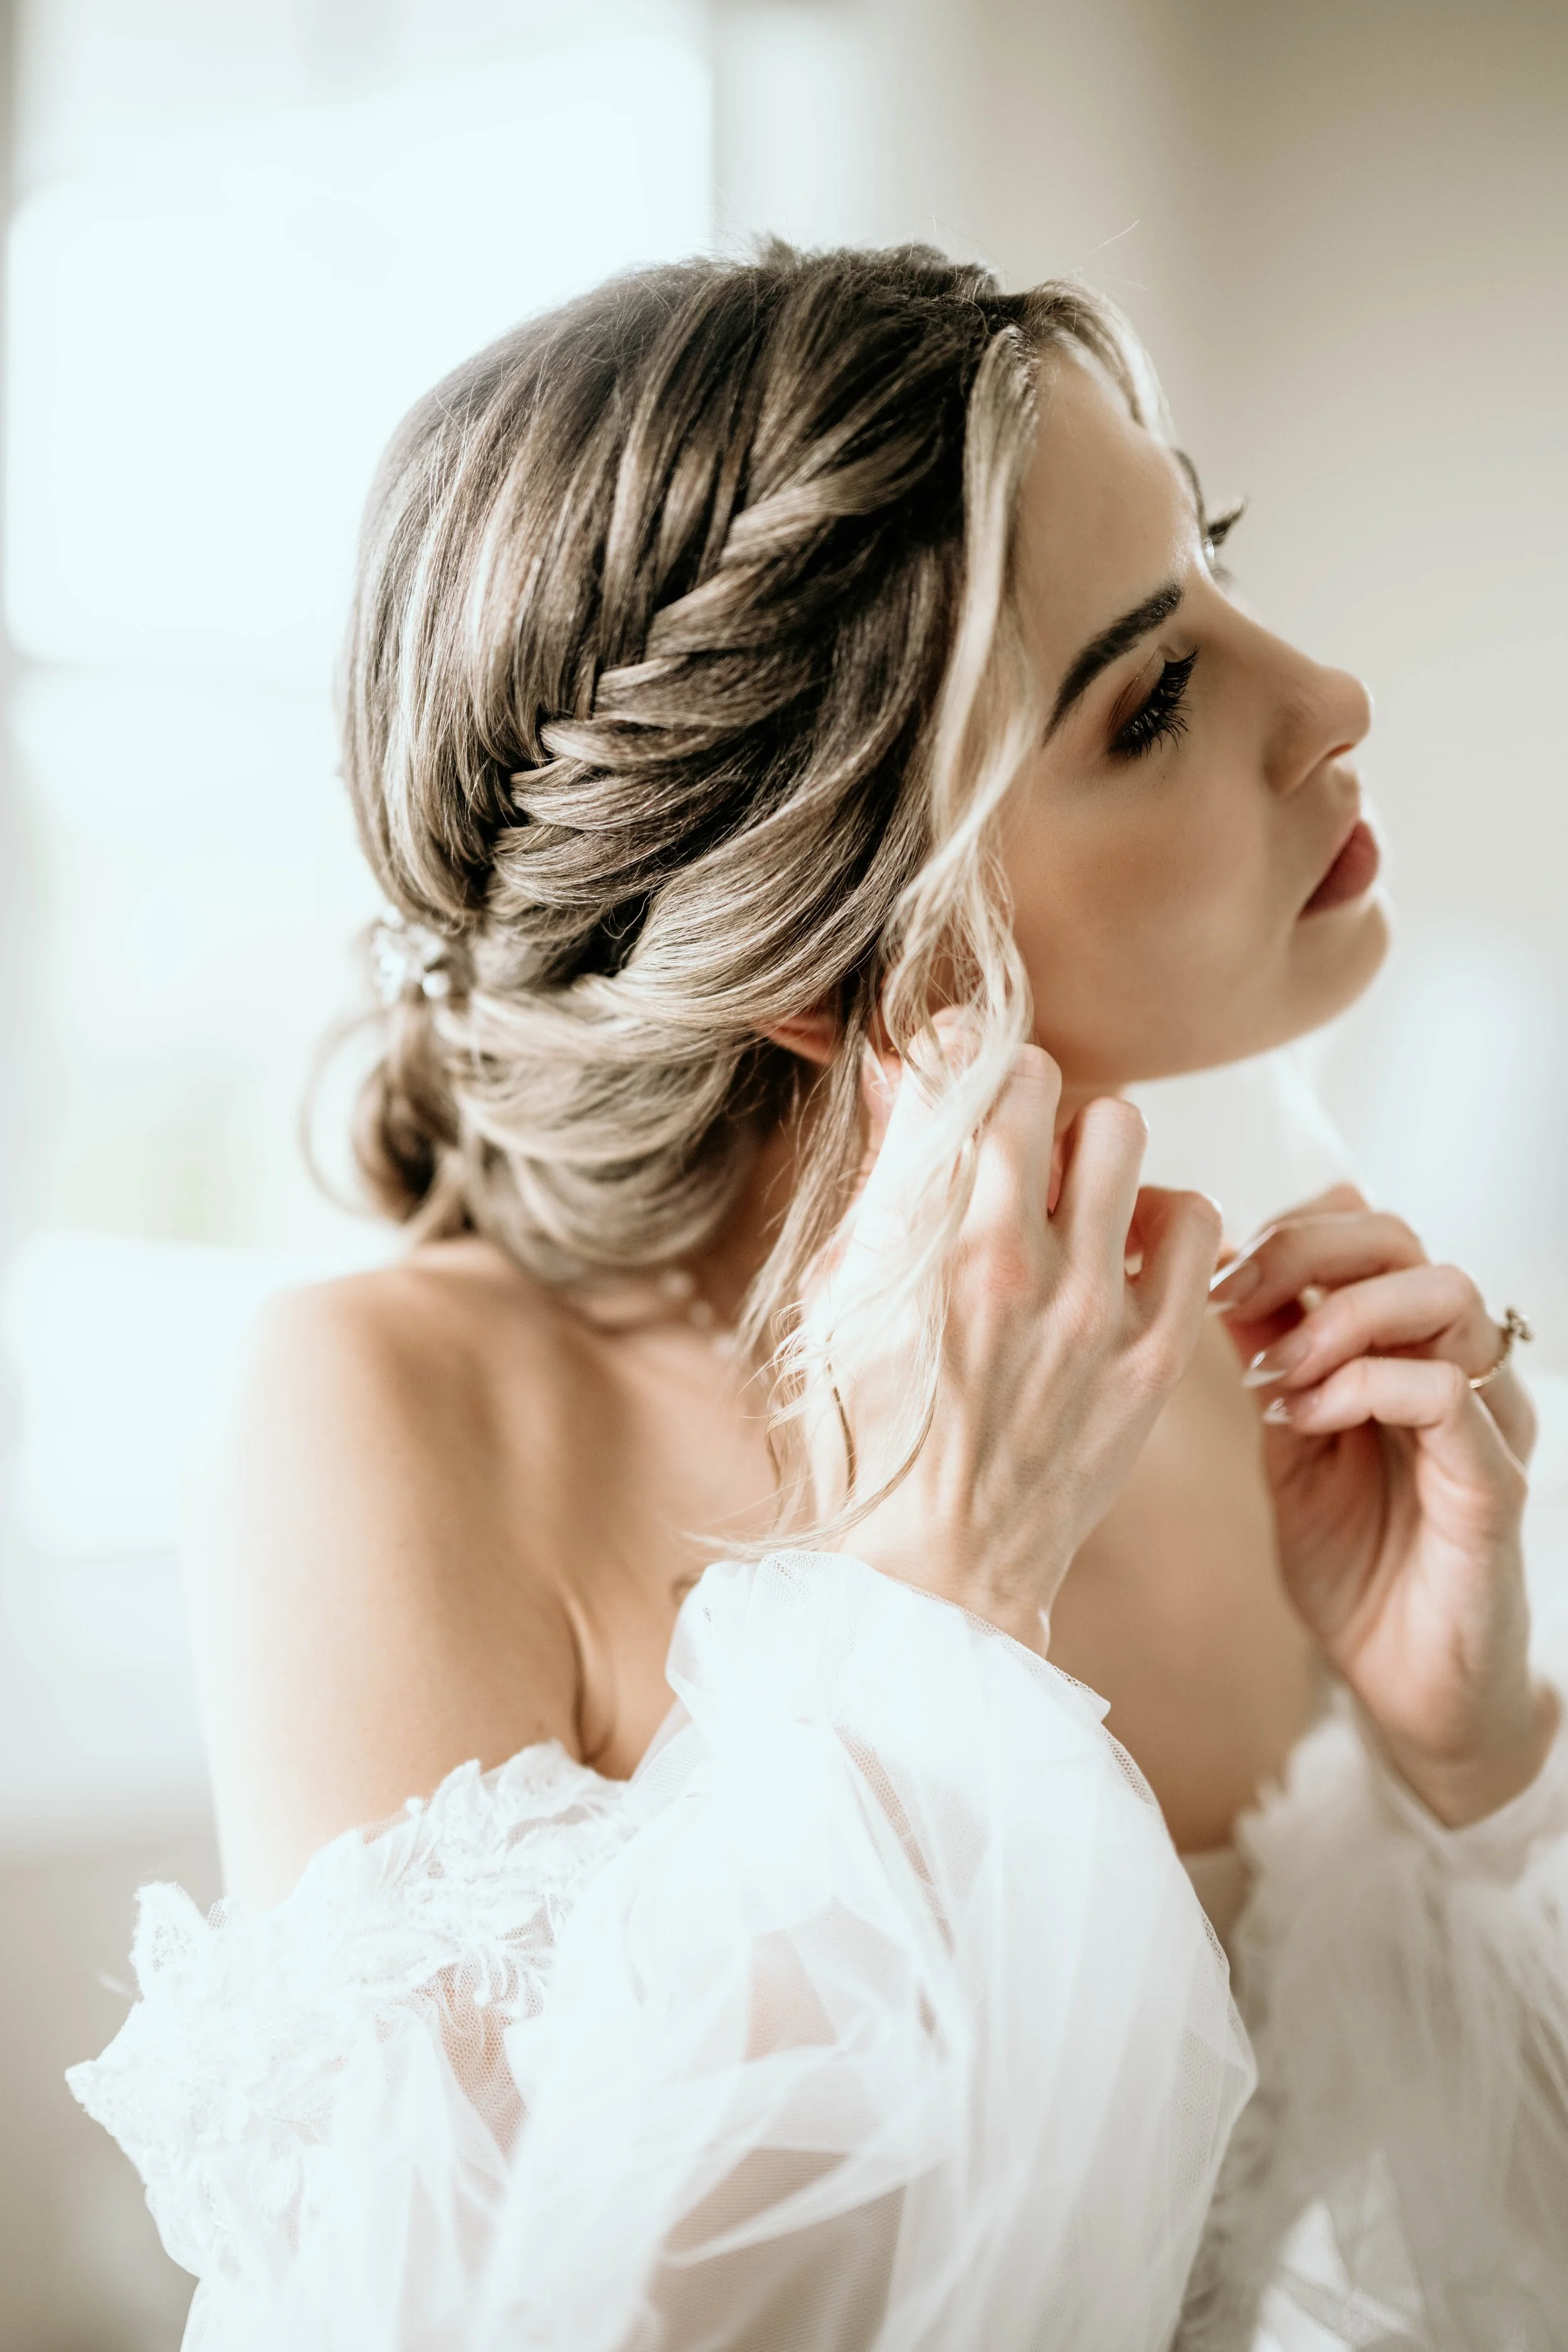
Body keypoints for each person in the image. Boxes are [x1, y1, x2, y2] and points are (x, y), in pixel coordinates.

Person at [70, 245, 1568, 2350]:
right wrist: (923, 1628)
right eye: (1146, 701)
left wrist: (1473, 1769)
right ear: (821, 958)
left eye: (1214, 558)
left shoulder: (1234, 1358)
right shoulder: (387, 1417)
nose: (1325, 699)